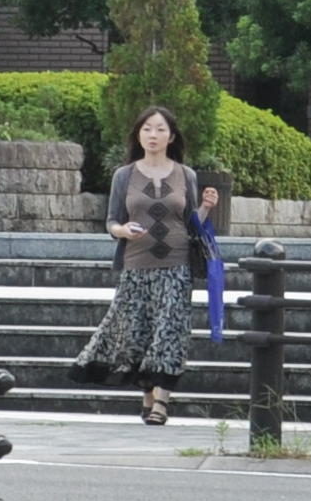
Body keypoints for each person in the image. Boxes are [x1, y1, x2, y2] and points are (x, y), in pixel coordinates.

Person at [73, 105, 216, 427]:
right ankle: (148, 396)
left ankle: (161, 404)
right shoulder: (124, 176)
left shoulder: (186, 175)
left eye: (161, 129)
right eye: (147, 129)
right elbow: (111, 220)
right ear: (138, 135)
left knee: (170, 331)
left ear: (171, 136)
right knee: (138, 334)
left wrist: (206, 208)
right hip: (136, 266)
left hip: (177, 265)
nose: (153, 135)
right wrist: (122, 231)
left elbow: (192, 224)